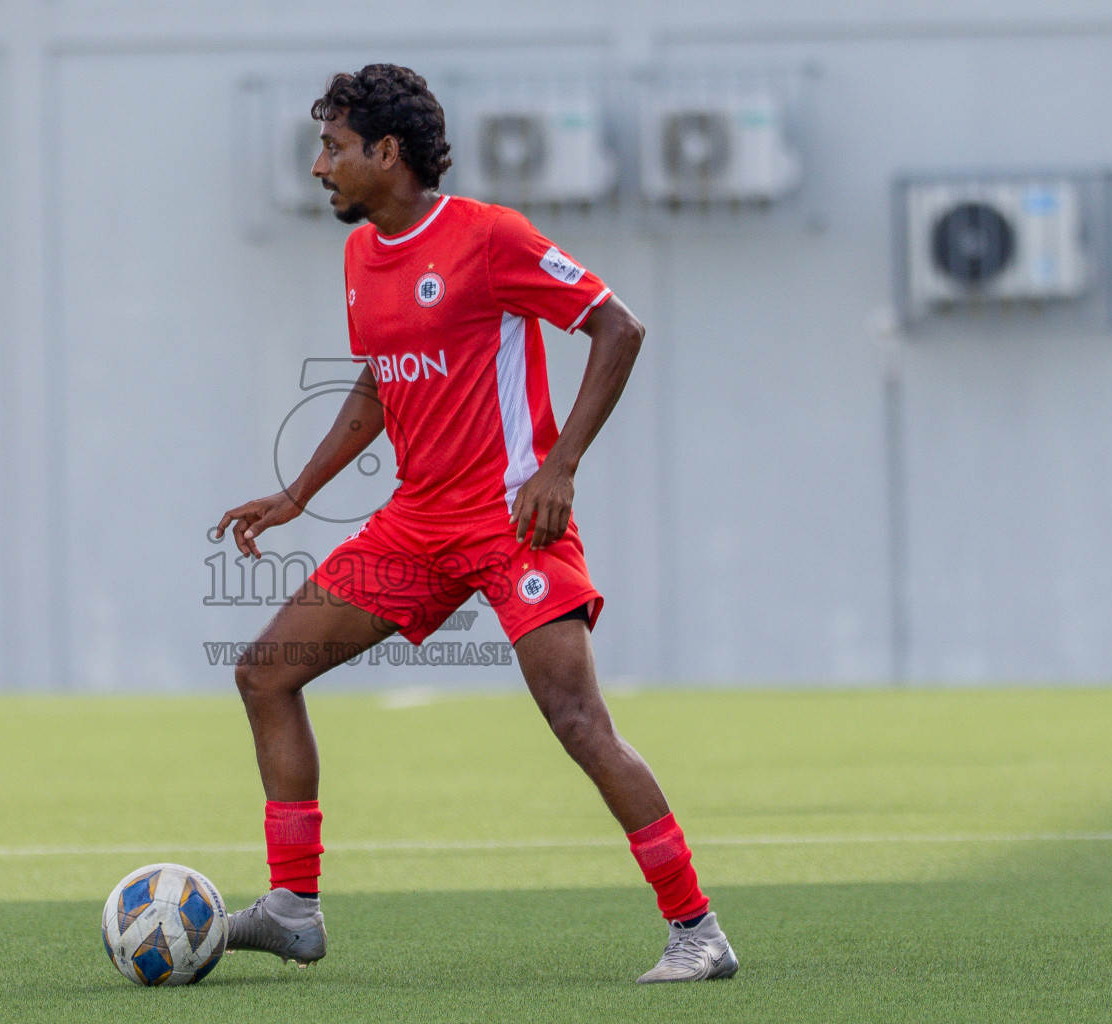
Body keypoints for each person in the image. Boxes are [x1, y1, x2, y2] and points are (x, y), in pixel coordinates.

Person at [212, 64, 737, 984]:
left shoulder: (489, 238)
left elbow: (619, 328)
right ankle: (294, 907)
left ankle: (697, 930)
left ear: (386, 152)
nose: (318, 167)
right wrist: (296, 495)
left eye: (333, 148)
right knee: (266, 673)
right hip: (416, 524)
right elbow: (379, 387)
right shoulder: (359, 255)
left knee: (576, 718)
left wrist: (561, 467)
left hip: (510, 523)